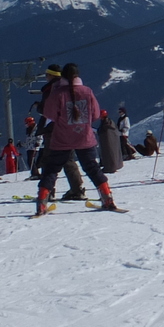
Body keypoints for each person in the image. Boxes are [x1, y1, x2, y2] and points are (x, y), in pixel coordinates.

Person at [32, 63, 120, 214]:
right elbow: (96, 114)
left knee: (52, 169)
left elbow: (49, 114)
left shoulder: (57, 93)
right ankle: (107, 198)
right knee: (92, 168)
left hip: (62, 138)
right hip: (84, 137)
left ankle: (41, 203)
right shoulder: (87, 91)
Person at [37, 65, 89, 199]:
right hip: (69, 127)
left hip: (52, 128)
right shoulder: (69, 87)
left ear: (52, 75)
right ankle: (77, 188)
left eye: (47, 74)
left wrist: (39, 107)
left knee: (49, 160)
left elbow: (47, 109)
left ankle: (47, 191)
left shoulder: (51, 89)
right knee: (68, 158)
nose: (46, 77)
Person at [96, 110, 124, 175]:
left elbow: (105, 132)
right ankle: (113, 166)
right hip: (111, 141)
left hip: (107, 142)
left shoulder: (105, 124)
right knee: (112, 153)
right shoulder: (109, 122)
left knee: (109, 153)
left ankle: (110, 167)